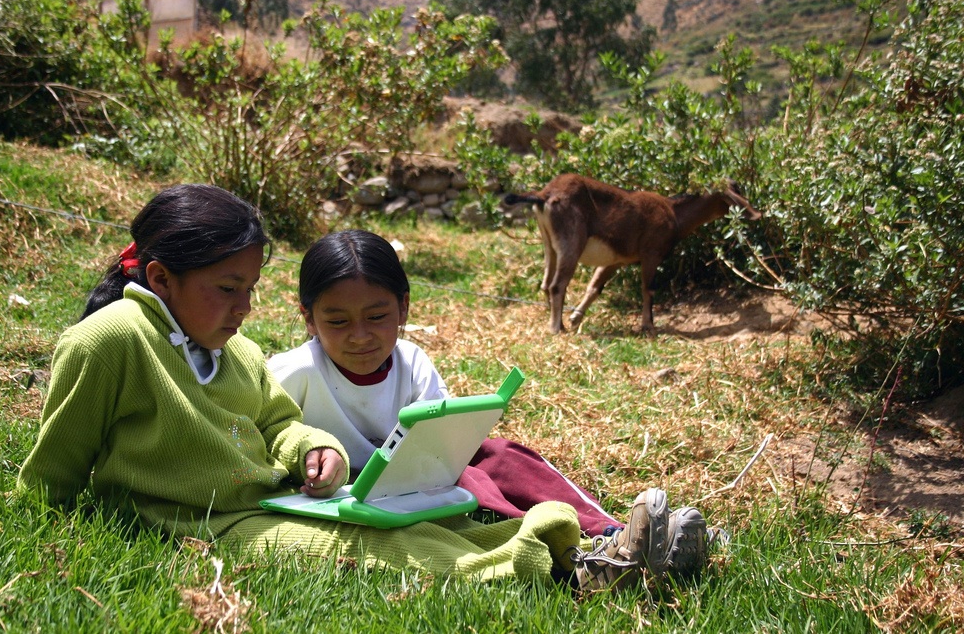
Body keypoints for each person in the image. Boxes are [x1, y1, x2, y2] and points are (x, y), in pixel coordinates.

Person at [14, 184, 678, 592]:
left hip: (271, 503)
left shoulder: (234, 350)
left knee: (432, 528)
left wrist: (310, 449)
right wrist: (44, 538)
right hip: (204, 523)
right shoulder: (113, 340)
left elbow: (278, 421)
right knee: (370, 550)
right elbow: (53, 468)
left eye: (249, 289)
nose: (244, 307)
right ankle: (569, 570)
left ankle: (581, 546)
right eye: (227, 289)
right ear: (161, 278)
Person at [266, 229, 714, 584]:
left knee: (497, 454)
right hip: (345, 501)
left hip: (414, 486)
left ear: (403, 307)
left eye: (377, 316)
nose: (360, 335)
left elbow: (441, 445)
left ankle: (613, 531)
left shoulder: (412, 361)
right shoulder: (293, 372)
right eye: (337, 321)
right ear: (308, 317)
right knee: (475, 474)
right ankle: (583, 552)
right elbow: (260, 432)